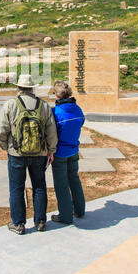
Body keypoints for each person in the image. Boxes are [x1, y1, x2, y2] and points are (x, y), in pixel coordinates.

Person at [0, 74, 58, 235]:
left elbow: (1, 129)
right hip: (40, 153)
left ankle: (19, 224)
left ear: (18, 88)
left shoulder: (10, 105)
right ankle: (40, 221)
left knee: (16, 188)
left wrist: (6, 147)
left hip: (16, 153)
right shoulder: (43, 106)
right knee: (39, 187)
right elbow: (52, 131)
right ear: (32, 88)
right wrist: (51, 150)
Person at [51, 80, 86, 225]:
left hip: (60, 152)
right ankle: (79, 209)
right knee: (74, 179)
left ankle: (65, 215)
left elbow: (51, 133)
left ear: (57, 95)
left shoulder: (56, 112)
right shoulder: (78, 109)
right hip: (73, 150)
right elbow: (81, 122)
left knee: (61, 184)